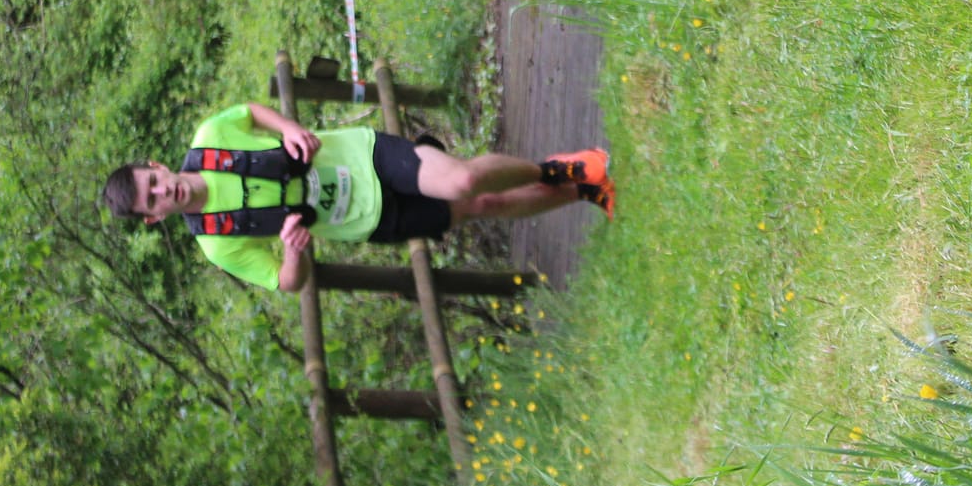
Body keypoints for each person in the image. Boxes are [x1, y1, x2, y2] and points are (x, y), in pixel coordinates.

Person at [100, 102, 613, 292]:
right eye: (154, 201)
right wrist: (294, 253)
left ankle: (559, 167)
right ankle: (583, 190)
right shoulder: (216, 242)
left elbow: (253, 113)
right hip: (367, 219)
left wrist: (292, 128)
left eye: (154, 182)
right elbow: (286, 283)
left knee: (462, 182)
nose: (163, 191)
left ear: (157, 167)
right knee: (483, 207)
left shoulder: (210, 137)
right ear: (155, 219)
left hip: (363, 156)